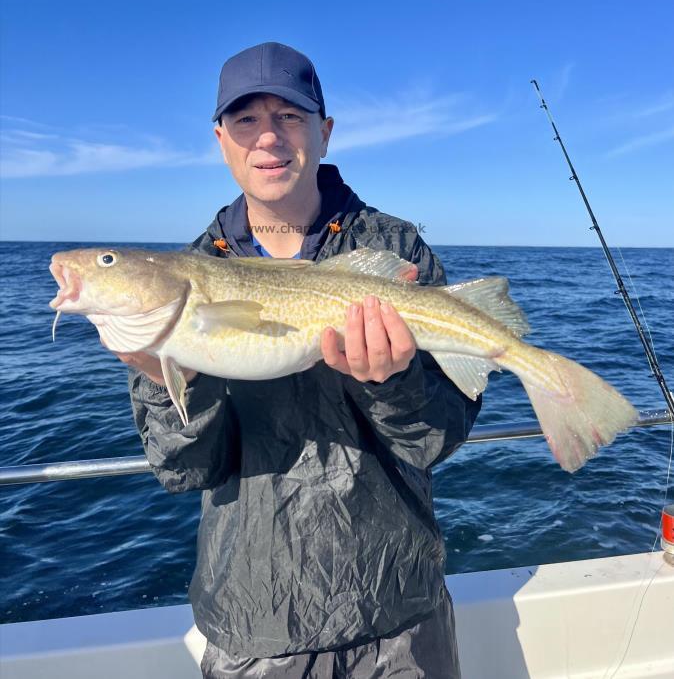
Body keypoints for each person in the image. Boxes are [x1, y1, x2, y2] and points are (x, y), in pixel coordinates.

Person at [122, 42, 481, 678]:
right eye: (246, 120)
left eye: (289, 117)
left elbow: (437, 438)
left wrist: (394, 384)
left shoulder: (396, 250)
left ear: (324, 131)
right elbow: (183, 470)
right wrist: (170, 378)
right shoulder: (178, 278)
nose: (269, 138)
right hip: (254, 619)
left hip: (399, 610)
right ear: (220, 139)